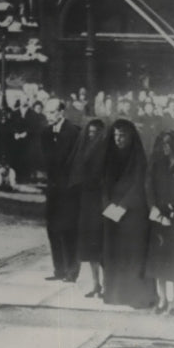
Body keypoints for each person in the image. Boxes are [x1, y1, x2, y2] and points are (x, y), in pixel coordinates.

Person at [101, 119, 158, 309]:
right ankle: (116, 294)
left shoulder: (138, 159)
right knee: (114, 254)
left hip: (133, 212)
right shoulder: (108, 157)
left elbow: (139, 185)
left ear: (130, 136)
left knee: (133, 254)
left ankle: (136, 296)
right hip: (112, 213)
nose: (118, 139)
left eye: (123, 135)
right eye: (116, 135)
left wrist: (123, 206)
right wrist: (108, 206)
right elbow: (102, 185)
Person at [145, 131, 174, 315]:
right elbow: (149, 187)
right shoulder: (157, 165)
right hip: (159, 216)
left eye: (168, 144)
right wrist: (154, 207)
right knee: (158, 259)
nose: (165, 147)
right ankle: (162, 298)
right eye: (162, 143)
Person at [40, 98, 82, 282]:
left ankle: (72, 271)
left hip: (69, 190)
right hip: (53, 188)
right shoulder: (46, 132)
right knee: (52, 228)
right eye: (46, 112)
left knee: (69, 229)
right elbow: (44, 159)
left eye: (51, 112)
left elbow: (69, 161)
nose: (47, 116)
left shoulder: (73, 132)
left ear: (61, 112)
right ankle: (59, 270)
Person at [66, 118, 108, 298]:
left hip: (101, 199)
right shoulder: (82, 150)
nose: (92, 136)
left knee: (102, 243)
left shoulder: (107, 151)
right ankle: (96, 284)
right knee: (90, 245)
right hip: (87, 200)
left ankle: (106, 284)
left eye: (95, 133)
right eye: (89, 132)